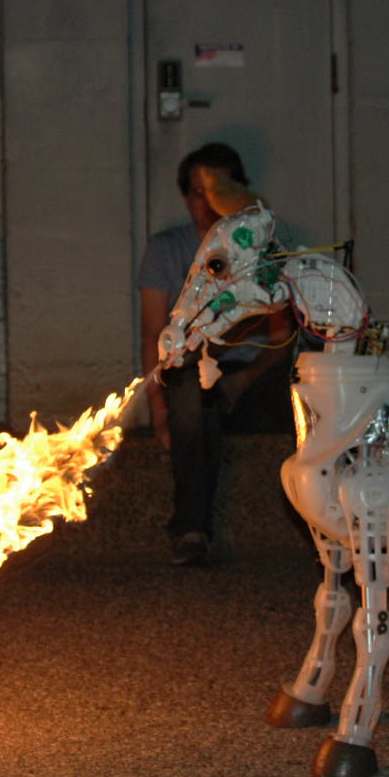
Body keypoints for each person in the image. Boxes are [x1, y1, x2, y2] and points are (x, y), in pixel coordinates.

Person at [137, 143, 294, 566]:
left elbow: (284, 334)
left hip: (256, 372)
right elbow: (154, 333)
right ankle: (190, 529)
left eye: (218, 189)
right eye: (196, 191)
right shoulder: (166, 249)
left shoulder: (262, 246)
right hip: (195, 373)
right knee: (190, 394)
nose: (206, 201)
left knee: (310, 381)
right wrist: (158, 407)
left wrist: (241, 380)